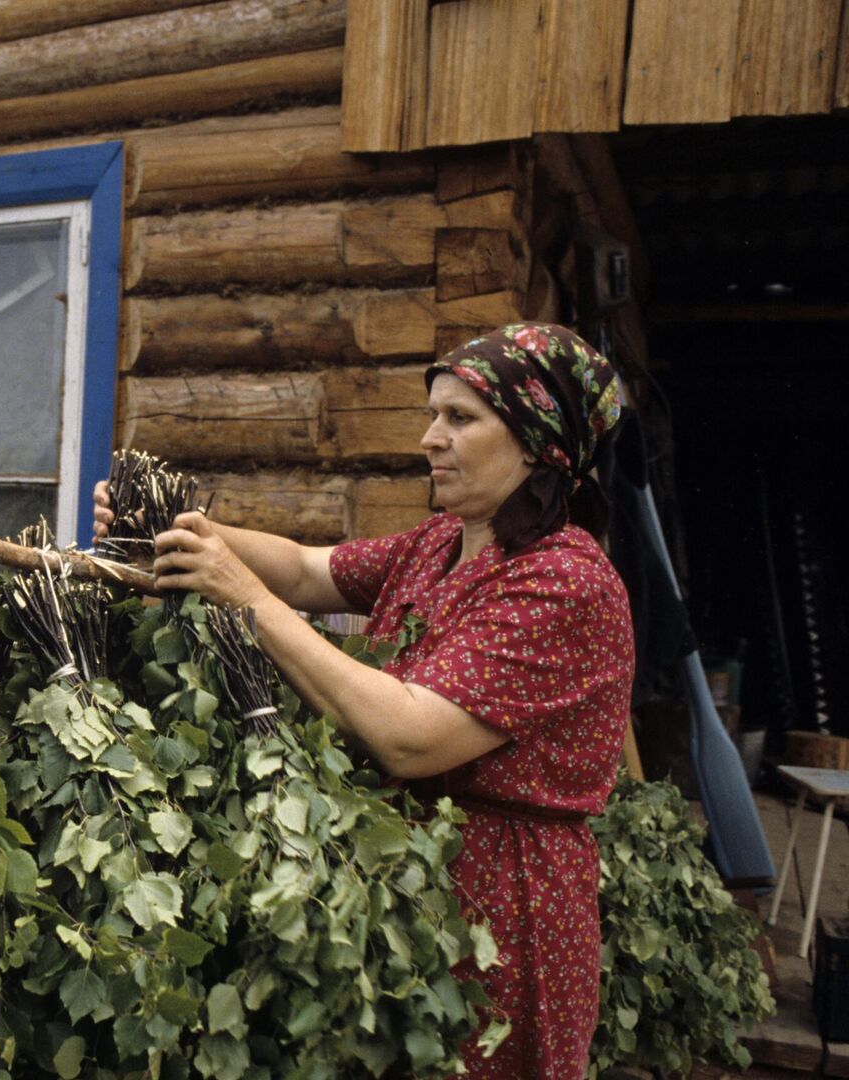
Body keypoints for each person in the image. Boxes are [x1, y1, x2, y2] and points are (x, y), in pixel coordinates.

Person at [96, 323, 634, 1079]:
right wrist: (181, 535)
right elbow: (309, 571)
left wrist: (241, 596)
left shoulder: (563, 583)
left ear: (536, 439)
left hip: (503, 909)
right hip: (402, 882)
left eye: (460, 418)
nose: (429, 439)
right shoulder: (443, 543)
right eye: (432, 414)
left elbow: (412, 735)